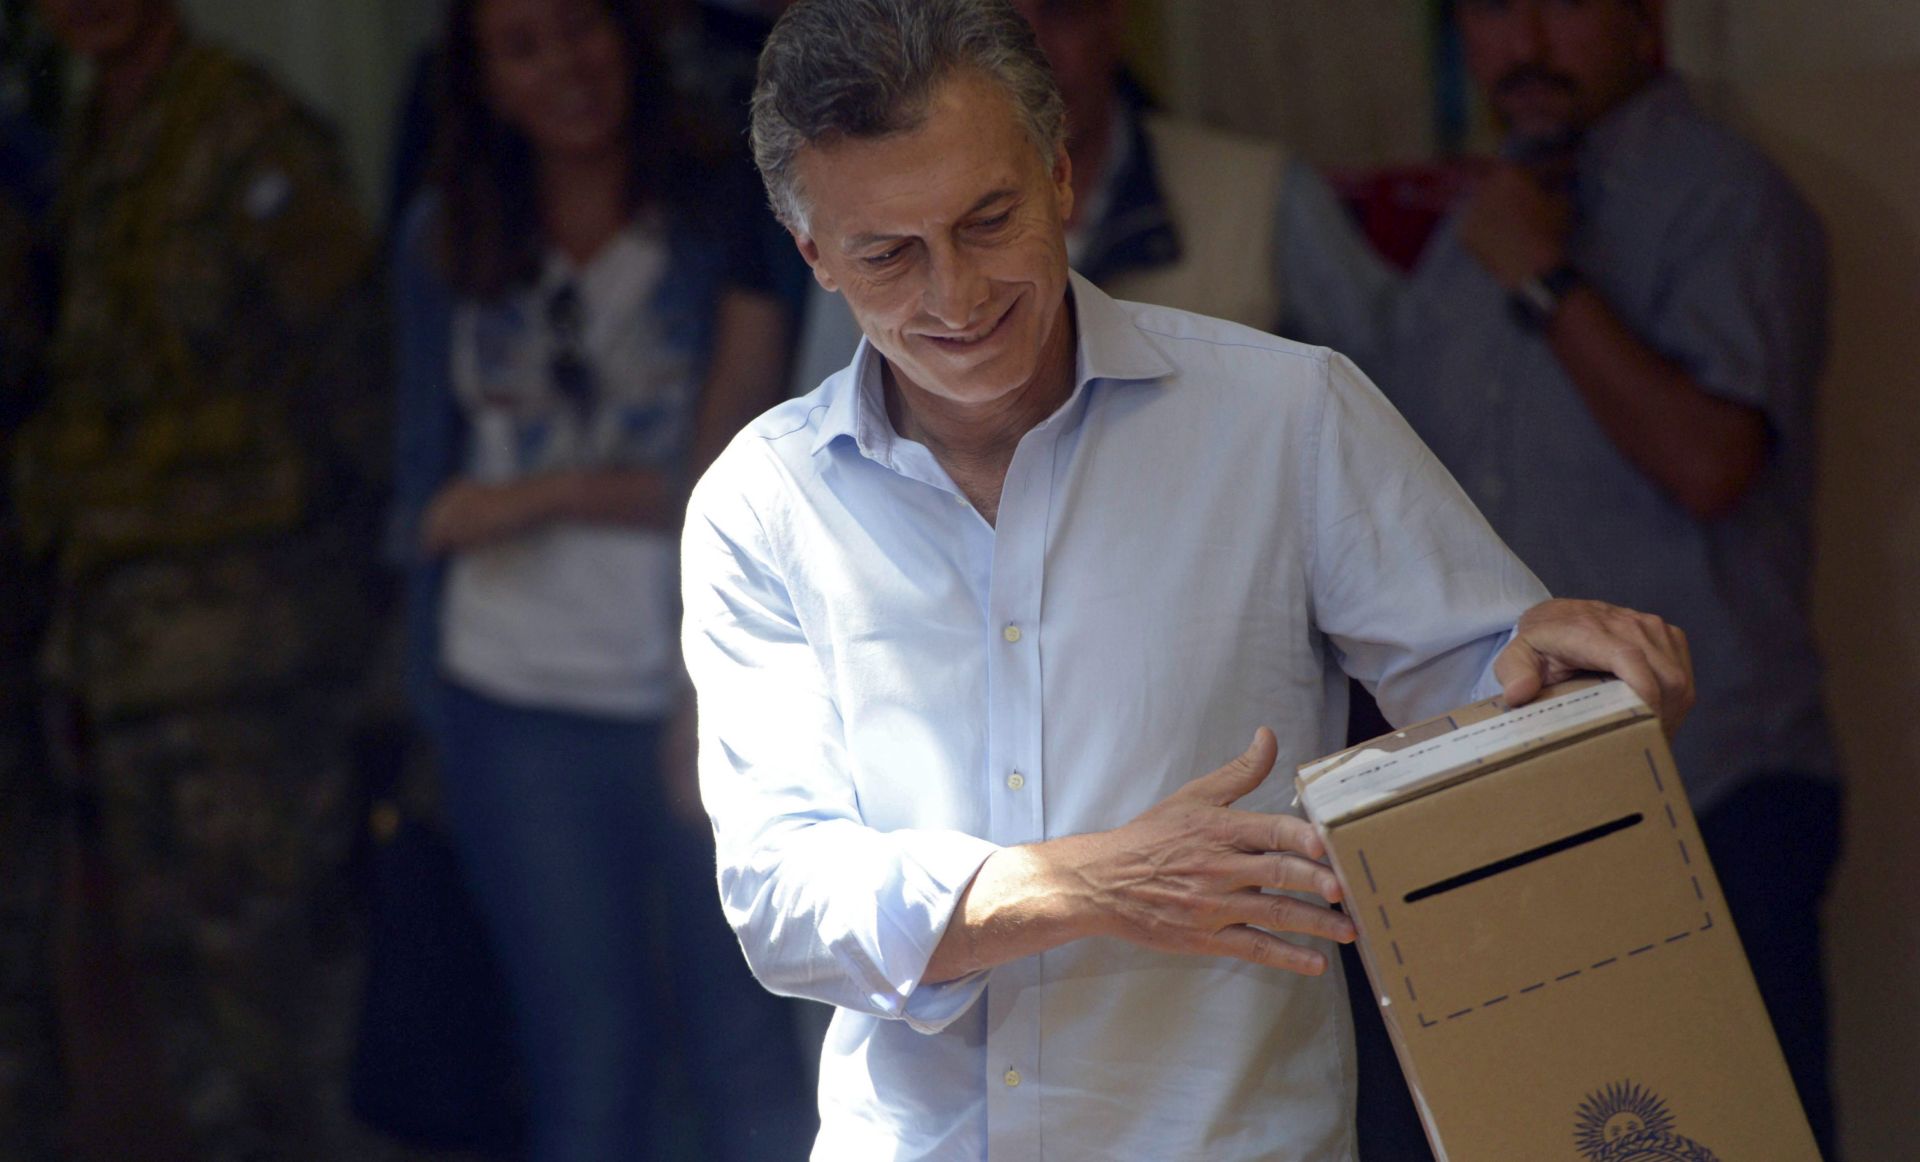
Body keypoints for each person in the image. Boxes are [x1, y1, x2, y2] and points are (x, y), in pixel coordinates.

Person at [680, 1, 1695, 1157]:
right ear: (814, 256)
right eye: (889, 256)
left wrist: (1586, 702)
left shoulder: (1285, 416)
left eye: (990, 219)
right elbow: (781, 896)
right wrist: (1091, 884)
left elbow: (1502, 715)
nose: (955, 297)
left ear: (1062, 177)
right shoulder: (762, 503)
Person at [1330, 1, 1841, 1154]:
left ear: (1645, 21)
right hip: (1510, 811)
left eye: (1558, 4)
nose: (1523, 43)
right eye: (1490, 14)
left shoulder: (1727, 198)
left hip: (1714, 782)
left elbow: (1712, 463)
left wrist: (1548, 280)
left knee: (1732, 1132)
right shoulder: (1474, 227)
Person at [388, 0, 814, 1158]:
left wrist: (538, 497)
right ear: (481, 79)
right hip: (513, 692)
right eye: (520, 47)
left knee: (746, 1046)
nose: (562, 67)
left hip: (697, 683)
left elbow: (734, 471)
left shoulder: (727, 203)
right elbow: (425, 503)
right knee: (587, 1057)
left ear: (628, 35)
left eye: (578, 30)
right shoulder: (445, 234)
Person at [11, 0, 393, 1156]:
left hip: (254, 665)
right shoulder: (84, 141)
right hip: (125, 658)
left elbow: (355, 377)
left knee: (290, 1005)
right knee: (190, 1013)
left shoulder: (246, 129)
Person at [785, 0, 1386, 394]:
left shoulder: (1258, 193)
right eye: (996, 22)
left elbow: (1402, 393)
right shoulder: (867, 226)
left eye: (1062, 10)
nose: (1033, 50)